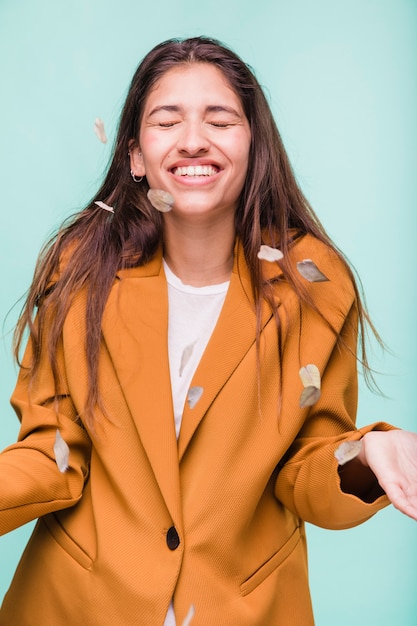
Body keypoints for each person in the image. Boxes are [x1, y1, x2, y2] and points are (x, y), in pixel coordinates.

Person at [0, 36, 416, 626]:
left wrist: (367, 452)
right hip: (76, 607)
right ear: (136, 156)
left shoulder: (313, 284)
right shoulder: (80, 269)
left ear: (253, 145)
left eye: (220, 120)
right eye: (167, 121)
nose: (193, 139)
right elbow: (53, 450)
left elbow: (307, 466)